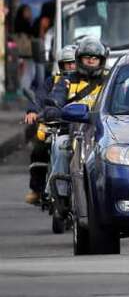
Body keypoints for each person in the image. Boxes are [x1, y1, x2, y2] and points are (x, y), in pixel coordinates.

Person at [41, 37, 110, 203]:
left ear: (101, 61)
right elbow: (55, 99)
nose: (91, 62)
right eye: (87, 58)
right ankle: (61, 195)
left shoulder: (108, 80)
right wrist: (52, 110)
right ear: (80, 59)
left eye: (95, 59)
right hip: (71, 130)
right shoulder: (67, 80)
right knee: (59, 146)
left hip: (101, 131)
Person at [23, 45, 76, 205]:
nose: (72, 67)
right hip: (53, 125)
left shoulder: (83, 81)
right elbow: (39, 98)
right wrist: (33, 111)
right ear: (61, 65)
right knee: (39, 149)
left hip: (77, 127)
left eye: (74, 63)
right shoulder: (52, 82)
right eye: (68, 64)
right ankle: (37, 190)